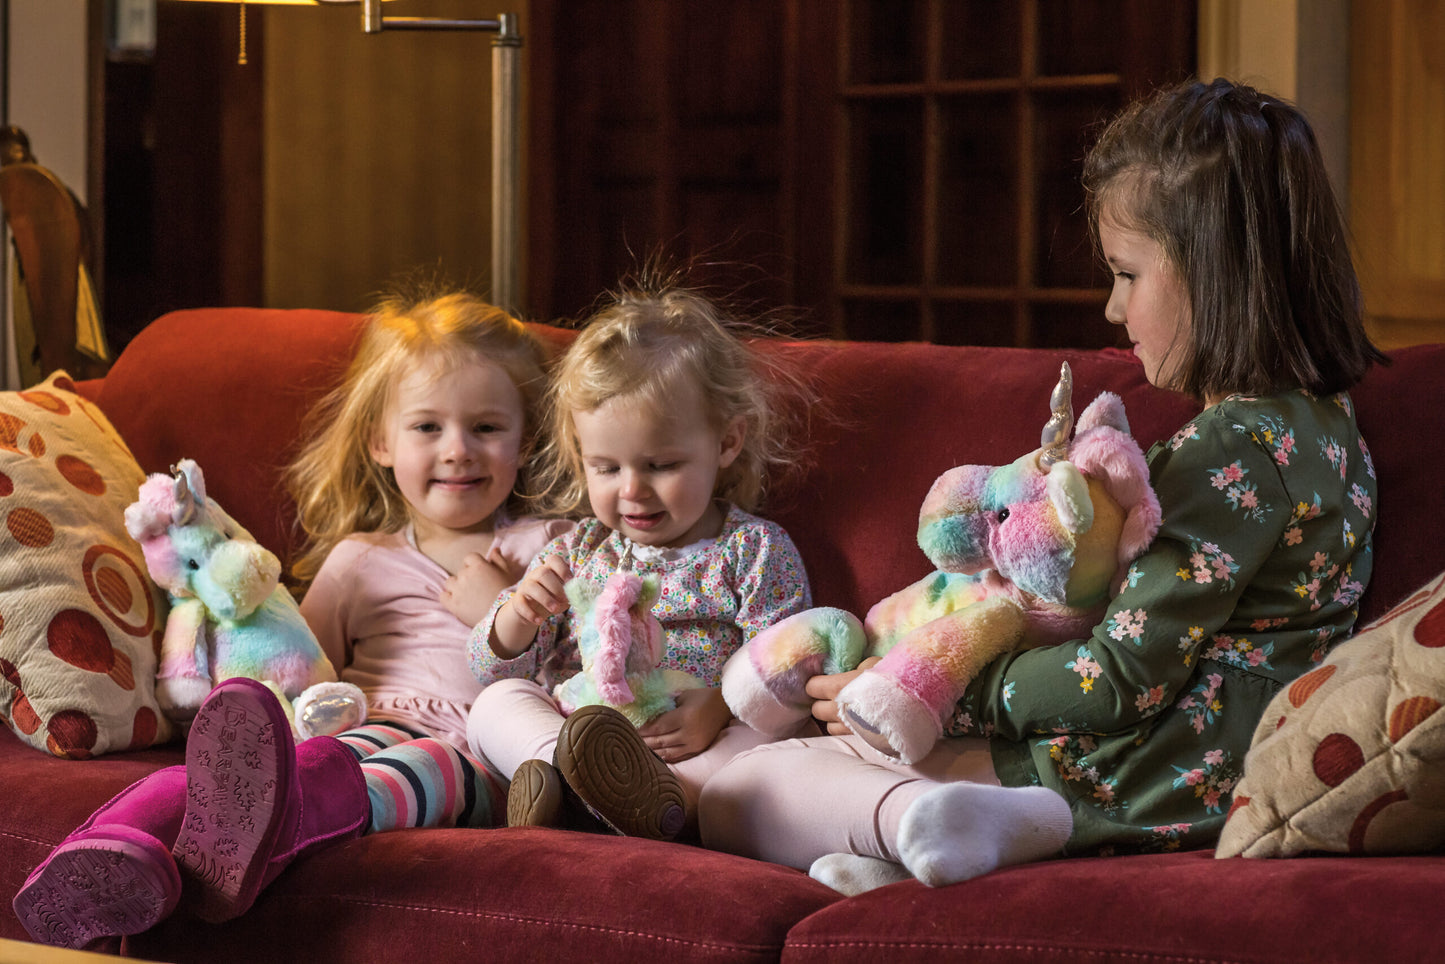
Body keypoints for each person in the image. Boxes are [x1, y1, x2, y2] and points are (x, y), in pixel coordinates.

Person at [698, 77, 1389, 894]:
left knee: (741, 790)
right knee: (801, 777)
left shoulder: (1227, 453)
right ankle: (923, 846)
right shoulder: (1325, 425)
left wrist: (935, 692)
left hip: (1143, 772)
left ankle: (933, 821)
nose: (1110, 307)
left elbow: (1120, 677)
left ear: (1216, 271)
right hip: (1203, 762)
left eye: (1128, 274)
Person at [13, 291, 571, 949]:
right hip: (360, 722)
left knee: (419, 762)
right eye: (428, 427)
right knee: (264, 764)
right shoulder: (360, 560)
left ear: (526, 438)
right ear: (381, 442)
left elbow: (578, 674)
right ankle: (103, 853)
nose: (458, 450)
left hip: (475, 753)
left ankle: (263, 839)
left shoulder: (550, 549)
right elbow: (299, 663)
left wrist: (502, 609)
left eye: (485, 428)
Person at [465, 282, 814, 841]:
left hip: (692, 740)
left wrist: (721, 706)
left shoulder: (754, 550)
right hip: (582, 728)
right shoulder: (579, 550)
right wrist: (516, 617)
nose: (633, 490)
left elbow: (787, 661)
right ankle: (558, 777)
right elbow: (490, 668)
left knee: (769, 740)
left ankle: (664, 804)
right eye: (606, 468)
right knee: (495, 702)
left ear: (727, 442)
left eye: (660, 464)